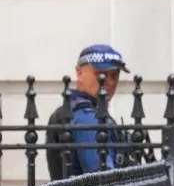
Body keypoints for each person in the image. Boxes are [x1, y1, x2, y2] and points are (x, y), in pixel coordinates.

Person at [46, 44, 128, 178]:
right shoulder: (87, 119)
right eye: (101, 75)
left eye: (114, 75)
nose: (110, 82)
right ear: (79, 73)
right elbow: (104, 182)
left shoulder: (71, 112)